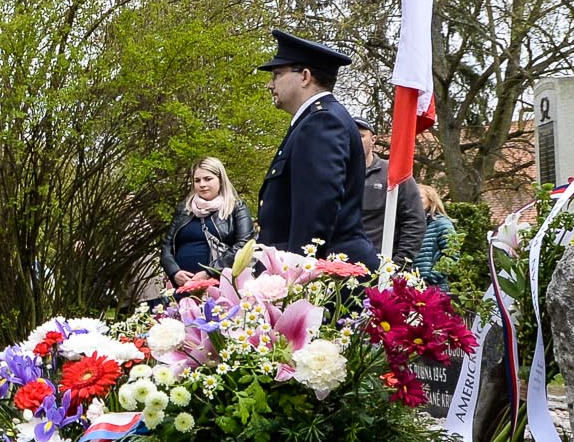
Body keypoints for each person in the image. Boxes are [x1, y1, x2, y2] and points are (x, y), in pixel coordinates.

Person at [253, 30, 378, 268]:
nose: (270, 84)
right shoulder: (315, 120)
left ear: (305, 76)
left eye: (277, 74)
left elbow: (315, 213)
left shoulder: (322, 122)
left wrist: (296, 275)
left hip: (325, 271)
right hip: (322, 267)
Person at [159, 156, 256, 286]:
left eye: (208, 179)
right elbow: (167, 246)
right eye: (197, 180)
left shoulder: (236, 208)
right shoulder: (184, 209)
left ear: (220, 180)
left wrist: (210, 272)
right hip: (183, 285)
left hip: (219, 284)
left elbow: (244, 245)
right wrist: (174, 272)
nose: (202, 184)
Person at [355, 116, 426, 268]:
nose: (354, 140)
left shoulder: (394, 174)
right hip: (338, 270)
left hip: (379, 269)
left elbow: (414, 222)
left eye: (360, 136)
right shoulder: (335, 174)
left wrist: (397, 266)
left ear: (373, 139)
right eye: (349, 135)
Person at [416, 185, 457, 287]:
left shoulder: (442, 224)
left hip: (434, 288)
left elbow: (452, 256)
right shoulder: (410, 225)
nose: (414, 201)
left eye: (419, 197)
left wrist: (430, 278)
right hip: (410, 286)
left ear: (431, 201)